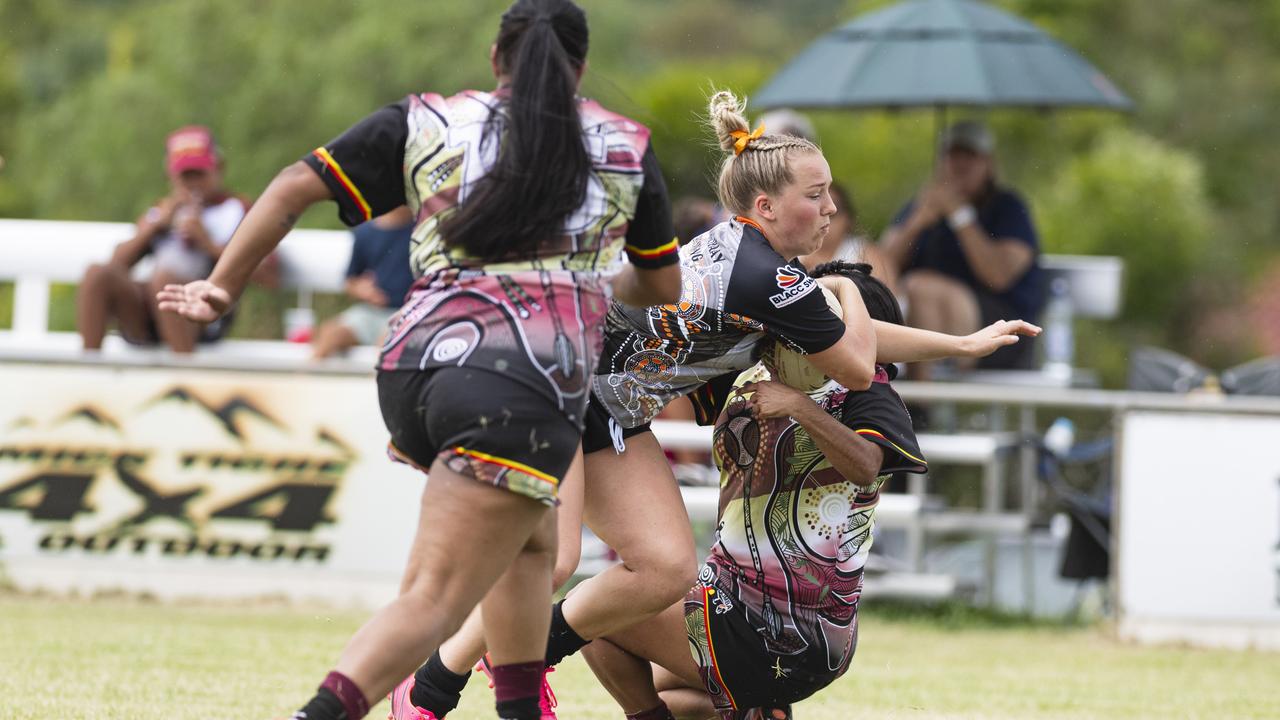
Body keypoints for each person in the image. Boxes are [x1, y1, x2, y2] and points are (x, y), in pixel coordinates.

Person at [404, 90, 1035, 716]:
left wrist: (960, 342)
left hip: (602, 406)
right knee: (563, 559)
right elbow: (855, 360)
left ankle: (510, 665)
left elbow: (848, 336)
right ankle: (435, 688)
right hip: (557, 385)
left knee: (661, 569)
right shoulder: (766, 279)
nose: (831, 208)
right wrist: (847, 281)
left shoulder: (761, 265)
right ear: (766, 205)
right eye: (814, 195)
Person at [157, 3, 682, 719]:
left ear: (497, 56)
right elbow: (661, 287)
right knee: (434, 597)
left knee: (533, 548)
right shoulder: (622, 144)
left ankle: (519, 708)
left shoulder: (428, 120)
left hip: (415, 367)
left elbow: (289, 186)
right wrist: (588, 279)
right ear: (582, 68)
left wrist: (221, 287)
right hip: (519, 384)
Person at [579, 262, 927, 720]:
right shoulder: (757, 374)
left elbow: (866, 467)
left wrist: (801, 408)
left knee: (595, 618)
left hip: (791, 626)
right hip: (726, 601)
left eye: (815, 316)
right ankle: (756, 714)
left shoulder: (868, 393)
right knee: (674, 694)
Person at [879, 120, 1045, 378]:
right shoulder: (923, 205)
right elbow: (879, 270)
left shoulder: (1008, 208)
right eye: (953, 154)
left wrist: (960, 215)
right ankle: (920, 395)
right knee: (911, 292)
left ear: (989, 163)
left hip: (1002, 329)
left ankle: (921, 403)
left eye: (971, 155)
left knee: (921, 288)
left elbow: (999, 276)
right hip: (932, 325)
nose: (961, 164)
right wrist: (918, 221)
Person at [77, 125, 250, 353]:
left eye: (199, 173)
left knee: (166, 279)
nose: (192, 183)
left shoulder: (235, 209)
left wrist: (206, 242)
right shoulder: (161, 211)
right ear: (171, 177)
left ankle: (182, 375)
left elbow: (262, 271)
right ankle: (89, 367)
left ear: (218, 169)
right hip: (150, 314)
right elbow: (117, 263)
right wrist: (153, 229)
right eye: (185, 176)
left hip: (207, 314)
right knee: (97, 274)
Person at [310, 205, 415, 360]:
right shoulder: (365, 232)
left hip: (406, 312)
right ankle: (304, 378)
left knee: (390, 341)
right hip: (369, 313)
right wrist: (363, 290)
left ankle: (378, 384)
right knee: (330, 334)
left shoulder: (421, 232)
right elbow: (350, 280)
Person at [799, 181, 897, 295]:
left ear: (848, 219)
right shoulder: (792, 253)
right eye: (815, 211)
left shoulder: (864, 252)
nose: (825, 219)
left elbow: (884, 299)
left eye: (833, 213)